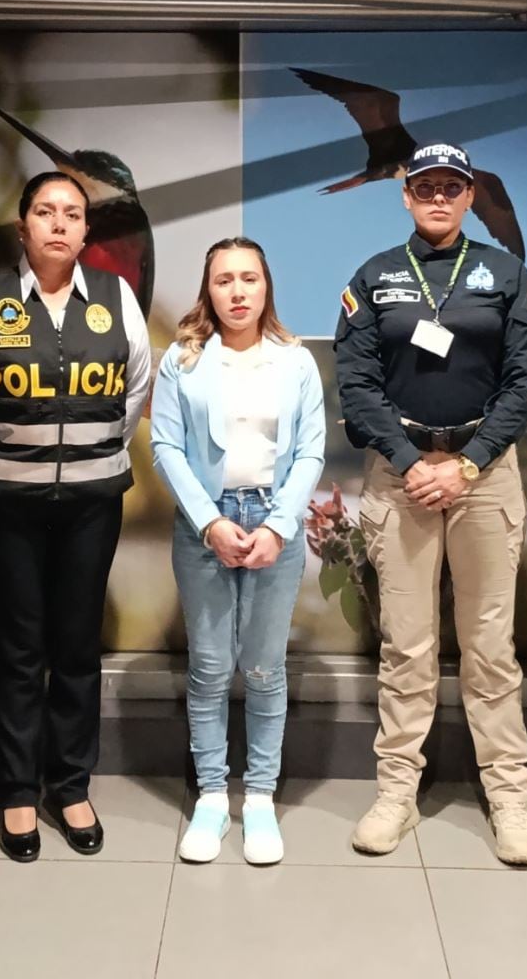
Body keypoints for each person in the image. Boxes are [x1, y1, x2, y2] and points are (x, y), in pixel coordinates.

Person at [334, 142, 527, 866]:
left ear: (468, 197)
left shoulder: (506, 274)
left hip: (482, 474)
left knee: (490, 647)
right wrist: (409, 462)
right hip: (401, 476)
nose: (437, 198)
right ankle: (396, 791)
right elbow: (357, 382)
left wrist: (468, 462)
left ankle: (508, 796)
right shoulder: (375, 276)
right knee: (406, 646)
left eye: (450, 188)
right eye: (424, 187)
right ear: (406, 195)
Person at [0, 171, 152, 862]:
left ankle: (69, 784)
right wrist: (20, 452)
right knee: (17, 647)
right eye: (45, 211)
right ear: (23, 226)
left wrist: (84, 453)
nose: (59, 224)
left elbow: (133, 391)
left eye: (72, 213)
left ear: (87, 230)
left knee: (76, 646)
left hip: (93, 502)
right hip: (7, 501)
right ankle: (15, 789)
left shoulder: (115, 299)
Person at [151, 238, 326, 866]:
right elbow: (166, 447)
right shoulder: (183, 360)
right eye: (224, 280)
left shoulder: (295, 360)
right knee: (208, 666)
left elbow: (311, 450)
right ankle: (210, 797)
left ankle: (258, 798)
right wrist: (209, 523)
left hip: (274, 521)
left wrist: (278, 527)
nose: (237, 291)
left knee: (264, 668)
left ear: (266, 285)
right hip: (206, 524)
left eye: (249, 278)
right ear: (209, 289)